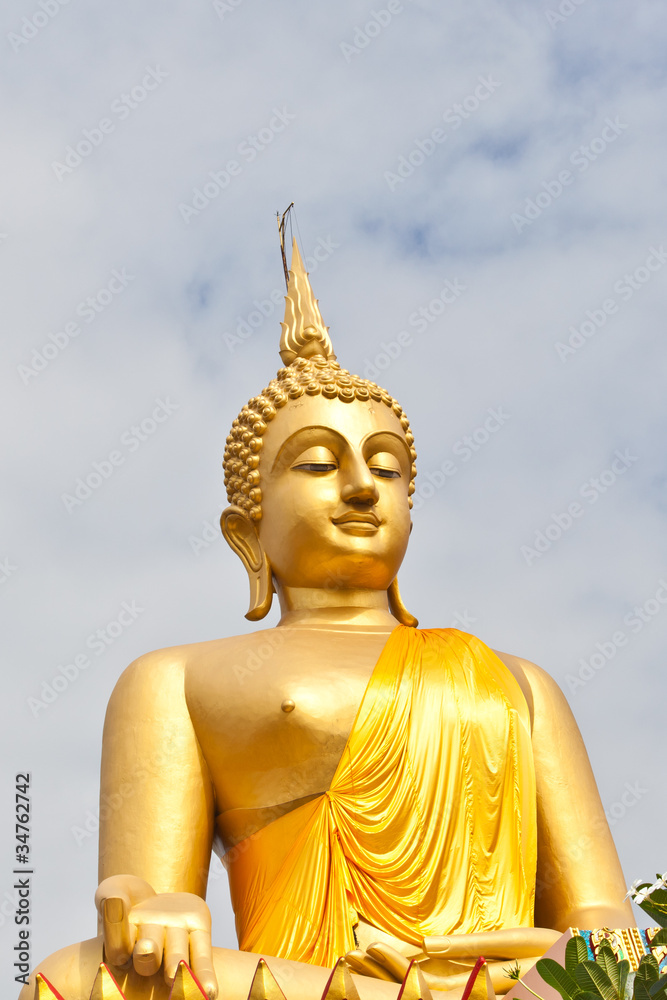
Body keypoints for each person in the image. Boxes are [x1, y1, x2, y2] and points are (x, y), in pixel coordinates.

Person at [21, 241, 634, 1000]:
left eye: (386, 468)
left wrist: (569, 962)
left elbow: (605, 920)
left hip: (505, 983)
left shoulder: (517, 681)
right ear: (246, 533)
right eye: (316, 464)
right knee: (81, 977)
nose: (359, 487)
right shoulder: (175, 679)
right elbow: (144, 897)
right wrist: (160, 908)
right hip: (310, 987)